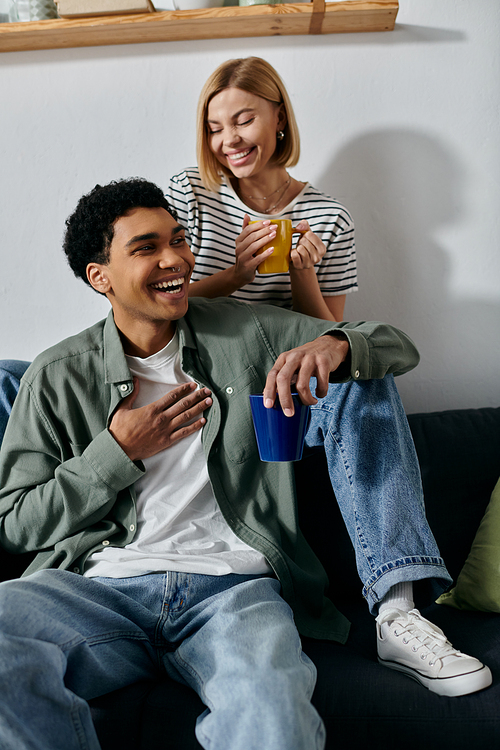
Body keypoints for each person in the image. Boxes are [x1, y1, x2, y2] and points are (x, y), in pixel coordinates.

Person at [0, 179, 491, 750]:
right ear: (100, 276)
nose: (174, 259)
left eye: (179, 240)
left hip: (232, 592)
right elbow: (15, 524)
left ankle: (398, 606)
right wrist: (116, 453)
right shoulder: (56, 376)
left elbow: (394, 344)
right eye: (146, 248)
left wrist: (336, 344)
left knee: (273, 722)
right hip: (98, 590)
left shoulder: (244, 329)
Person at [167, 56, 357, 321]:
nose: (230, 140)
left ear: (279, 118)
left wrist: (302, 271)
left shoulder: (330, 218)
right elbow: (159, 301)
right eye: (215, 129)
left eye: (244, 121)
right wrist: (237, 275)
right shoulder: (189, 191)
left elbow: (330, 337)